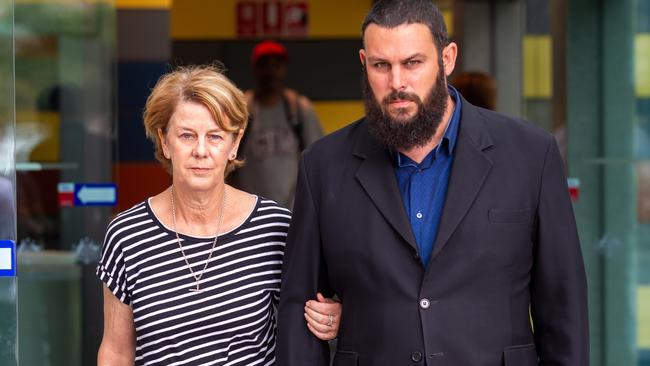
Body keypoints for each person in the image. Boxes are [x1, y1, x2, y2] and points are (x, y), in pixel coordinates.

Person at [276, 1, 589, 365]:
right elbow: (300, 307)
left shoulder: (530, 154)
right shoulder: (323, 166)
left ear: (447, 58)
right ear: (364, 63)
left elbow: (563, 304)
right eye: (381, 66)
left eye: (412, 63)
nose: (397, 83)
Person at [96, 64, 341, 365]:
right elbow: (116, 351)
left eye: (215, 136)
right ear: (164, 141)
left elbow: (312, 316)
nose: (201, 150)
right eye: (187, 135)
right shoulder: (127, 234)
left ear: (235, 144)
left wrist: (333, 314)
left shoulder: (275, 228)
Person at [230, 40, 324, 209]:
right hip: (251, 213)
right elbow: (228, 164)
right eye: (265, 65)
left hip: (295, 212)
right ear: (255, 69)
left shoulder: (300, 109)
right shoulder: (241, 110)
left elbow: (319, 162)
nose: (271, 71)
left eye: (276, 65)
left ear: (284, 69)